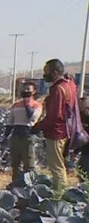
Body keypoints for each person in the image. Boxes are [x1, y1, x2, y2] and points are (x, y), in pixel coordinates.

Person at [35, 59, 77, 192]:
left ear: (54, 73)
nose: (44, 75)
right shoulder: (69, 84)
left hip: (56, 132)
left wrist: (39, 126)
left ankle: (60, 194)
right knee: (60, 165)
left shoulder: (57, 89)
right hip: (66, 130)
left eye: (46, 72)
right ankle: (60, 191)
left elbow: (54, 115)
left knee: (57, 167)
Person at [5, 81, 43, 182]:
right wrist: (5, 136)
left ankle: (29, 186)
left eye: (28, 89)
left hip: (27, 136)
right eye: (24, 89)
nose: (26, 91)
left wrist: (27, 103)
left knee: (29, 164)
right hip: (15, 136)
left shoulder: (37, 105)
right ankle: (15, 184)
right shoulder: (15, 105)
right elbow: (10, 122)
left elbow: (32, 118)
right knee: (15, 164)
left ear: (34, 92)